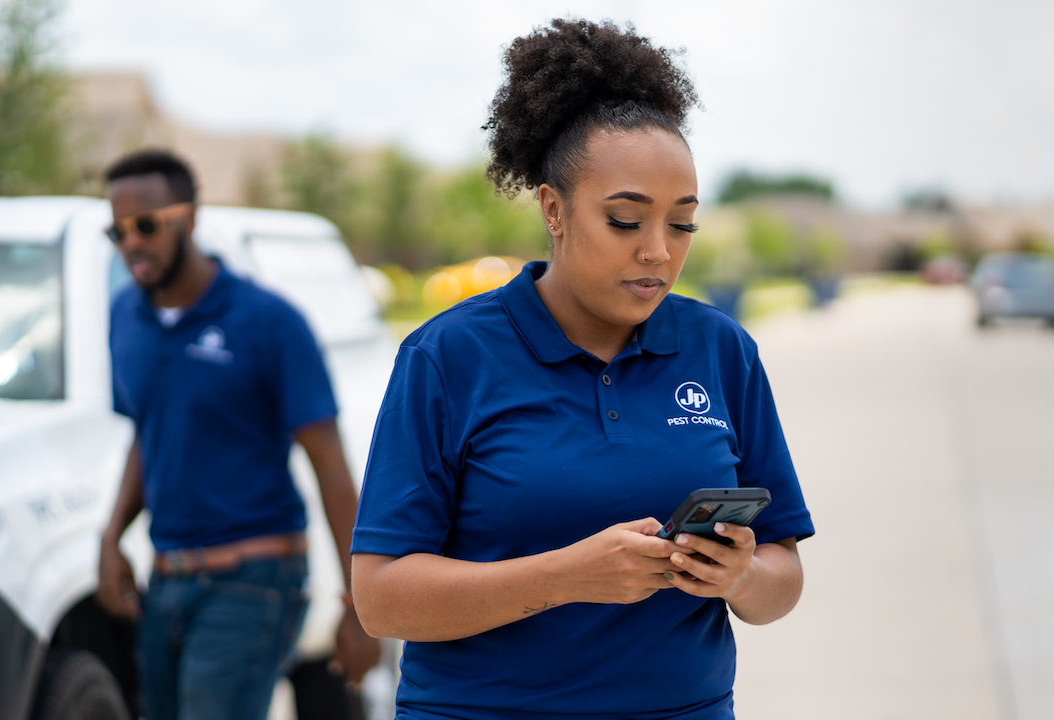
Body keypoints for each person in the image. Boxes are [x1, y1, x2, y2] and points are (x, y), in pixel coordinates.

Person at [349, 19, 814, 720]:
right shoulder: (448, 358)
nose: (658, 250)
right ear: (554, 208)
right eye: (626, 221)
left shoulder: (722, 351)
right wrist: (564, 578)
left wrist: (739, 574)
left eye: (682, 223)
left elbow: (782, 579)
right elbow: (381, 599)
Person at [95, 149, 381, 720]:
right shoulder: (126, 315)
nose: (132, 243)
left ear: (191, 217)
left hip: (254, 578)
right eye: (117, 230)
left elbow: (329, 461)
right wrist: (110, 537)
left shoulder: (268, 321)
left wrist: (362, 605)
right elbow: (147, 436)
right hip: (167, 575)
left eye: (146, 225)